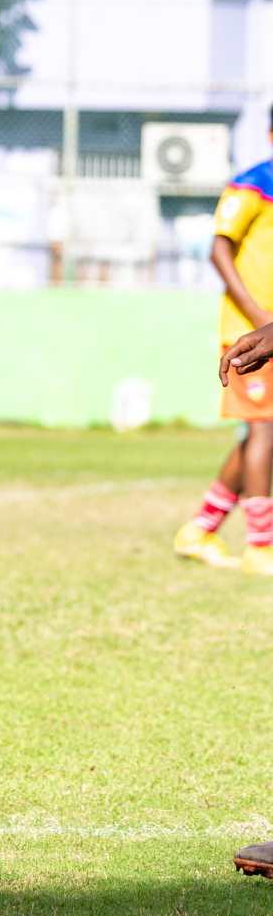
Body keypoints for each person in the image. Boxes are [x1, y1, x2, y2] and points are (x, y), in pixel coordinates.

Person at [174, 112, 273, 575]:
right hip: (251, 336)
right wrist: (262, 321)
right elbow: (219, 248)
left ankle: (199, 529)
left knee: (258, 433)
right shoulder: (254, 183)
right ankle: (260, 548)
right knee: (265, 432)